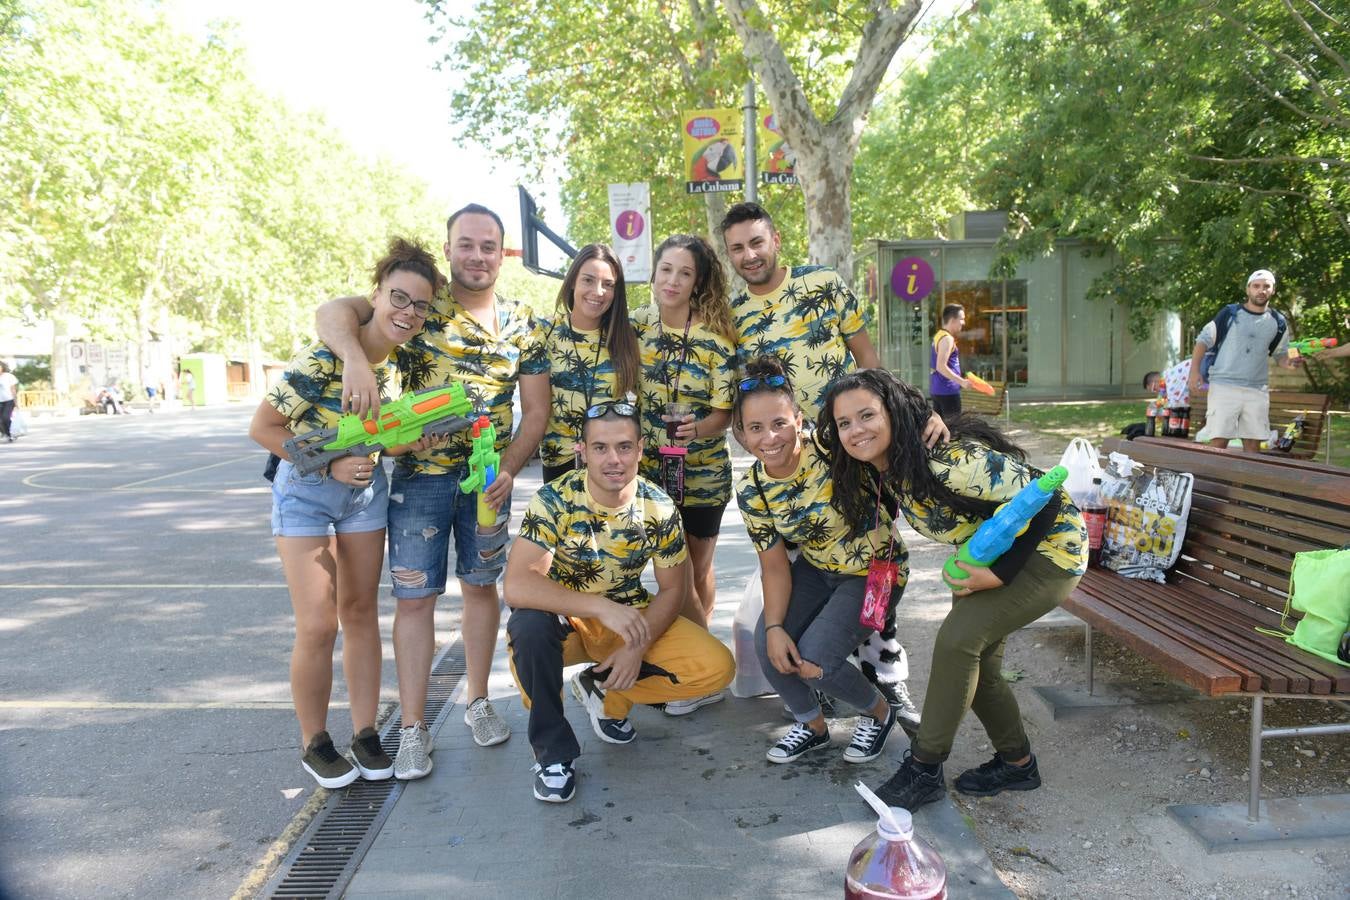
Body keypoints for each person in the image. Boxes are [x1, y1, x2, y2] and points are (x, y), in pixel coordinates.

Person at [317, 203, 549, 778]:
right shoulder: (416, 302)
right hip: (419, 481)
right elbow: (332, 312)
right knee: (415, 599)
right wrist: (355, 361)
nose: (477, 255)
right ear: (448, 250)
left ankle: (477, 702)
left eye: (488, 246)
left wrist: (508, 470)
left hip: (487, 483)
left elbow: (537, 414)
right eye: (465, 244)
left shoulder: (525, 323)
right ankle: (415, 727)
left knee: (480, 588)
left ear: (504, 253)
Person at [819, 369, 1087, 810]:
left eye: (867, 415)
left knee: (958, 642)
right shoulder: (888, 465)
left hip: (1052, 551)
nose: (855, 430)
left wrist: (999, 576)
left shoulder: (949, 461)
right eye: (844, 422)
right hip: (987, 555)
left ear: (893, 413)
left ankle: (923, 770)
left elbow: (1050, 497)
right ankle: (1018, 763)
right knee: (973, 665)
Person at [248, 237, 441, 788]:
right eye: (398, 298)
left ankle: (364, 733)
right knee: (317, 624)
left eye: (419, 306)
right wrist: (331, 465)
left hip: (364, 494)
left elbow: (383, 438)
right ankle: (315, 742)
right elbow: (263, 429)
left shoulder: (403, 367)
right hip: (305, 492)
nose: (407, 313)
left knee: (360, 614)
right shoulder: (324, 356)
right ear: (375, 296)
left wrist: (412, 442)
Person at [502, 400, 736, 803]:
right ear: (582, 450)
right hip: (569, 622)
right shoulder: (554, 499)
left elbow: (672, 590)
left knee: (718, 667)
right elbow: (518, 585)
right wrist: (598, 606)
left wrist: (637, 647)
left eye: (625, 447)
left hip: (629, 618)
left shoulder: (659, 507)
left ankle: (606, 691)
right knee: (527, 626)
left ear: (641, 449)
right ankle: (553, 755)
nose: (614, 459)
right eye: (601, 448)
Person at [733, 356, 919, 766]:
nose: (770, 437)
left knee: (814, 660)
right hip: (817, 569)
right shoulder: (752, 488)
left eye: (780, 422)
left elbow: (882, 426)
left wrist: (931, 423)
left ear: (799, 420)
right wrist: (777, 626)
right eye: (756, 428)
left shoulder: (829, 444)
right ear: (742, 436)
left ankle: (879, 713)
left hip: (875, 573)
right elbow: (776, 565)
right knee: (769, 644)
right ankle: (812, 726)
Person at [719, 201, 882, 420]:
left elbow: (867, 356)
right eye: (737, 248)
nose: (749, 255)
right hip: (786, 447)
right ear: (728, 254)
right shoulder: (732, 317)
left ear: (776, 241)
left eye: (757, 243)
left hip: (849, 433)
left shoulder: (823, 282)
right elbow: (742, 398)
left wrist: (882, 414)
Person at [535, 244, 640, 485]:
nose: (598, 291)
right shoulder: (544, 332)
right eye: (589, 280)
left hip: (615, 467)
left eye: (608, 284)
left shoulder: (626, 335)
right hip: (560, 466)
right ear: (572, 282)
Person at [1187, 269, 1295, 452]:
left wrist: (1290, 363)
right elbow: (1203, 340)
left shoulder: (1278, 321)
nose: (1261, 290)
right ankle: (1215, 480)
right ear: (1248, 289)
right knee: (1219, 441)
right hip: (1224, 386)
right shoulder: (1229, 313)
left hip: (1257, 389)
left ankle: (1247, 481)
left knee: (1253, 444)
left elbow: (1280, 355)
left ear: (1273, 290)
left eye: (1266, 286)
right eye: (1256, 286)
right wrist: (1194, 371)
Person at [930, 304, 969, 422]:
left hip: (938, 390)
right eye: (962, 319)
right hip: (948, 392)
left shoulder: (939, 335)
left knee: (941, 432)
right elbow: (940, 366)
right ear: (952, 320)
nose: (964, 322)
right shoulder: (947, 339)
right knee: (954, 431)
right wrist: (961, 381)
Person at [0, 362, 19, 443]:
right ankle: (5, 433)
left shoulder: (8, 376)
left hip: (8, 400)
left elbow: (13, 389)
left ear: (2, 367)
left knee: (5, 418)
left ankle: (9, 433)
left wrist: (16, 402)